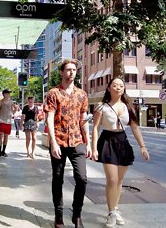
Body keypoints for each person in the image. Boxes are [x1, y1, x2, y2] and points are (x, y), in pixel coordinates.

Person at [91, 78, 150, 227]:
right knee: (112, 179)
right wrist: (93, 148)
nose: (118, 88)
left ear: (124, 89)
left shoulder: (128, 106)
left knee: (119, 181)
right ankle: (111, 213)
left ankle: (115, 209)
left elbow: (135, 128)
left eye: (121, 86)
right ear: (109, 88)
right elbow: (96, 128)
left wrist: (143, 147)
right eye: (115, 85)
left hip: (122, 142)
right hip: (107, 141)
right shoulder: (101, 107)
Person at [44, 59, 91, 228]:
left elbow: (83, 120)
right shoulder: (53, 93)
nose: (72, 72)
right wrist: (53, 143)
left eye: (74, 69)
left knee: (82, 179)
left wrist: (89, 143)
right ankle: (59, 216)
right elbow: (49, 119)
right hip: (59, 141)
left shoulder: (82, 94)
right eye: (68, 69)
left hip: (78, 141)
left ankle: (76, 214)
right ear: (62, 72)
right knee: (58, 179)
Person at [0, 89, 14, 158]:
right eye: (8, 93)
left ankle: (3, 151)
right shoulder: (0, 102)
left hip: (8, 122)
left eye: (9, 93)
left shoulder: (11, 102)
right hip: (1, 121)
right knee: (0, 137)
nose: (9, 95)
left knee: (6, 136)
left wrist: (15, 110)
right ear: (4, 94)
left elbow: (12, 112)